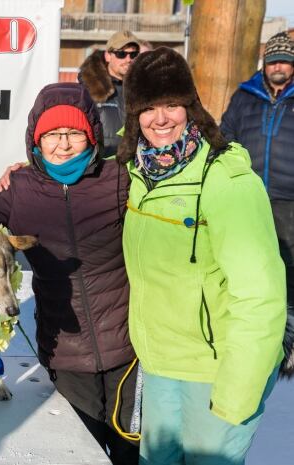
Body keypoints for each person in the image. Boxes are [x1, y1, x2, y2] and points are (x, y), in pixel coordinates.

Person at [119, 47, 286, 464]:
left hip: (214, 371)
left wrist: (237, 392)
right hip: (160, 366)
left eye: (172, 105)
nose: (161, 119)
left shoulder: (227, 180)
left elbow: (260, 296)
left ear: (191, 107)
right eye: (148, 107)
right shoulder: (139, 172)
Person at [0, 83, 139, 465]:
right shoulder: (20, 189)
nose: (63, 144)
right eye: (52, 135)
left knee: (132, 451)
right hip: (64, 350)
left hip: (128, 348)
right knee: (84, 452)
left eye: (74, 133)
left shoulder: (118, 180)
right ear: (36, 139)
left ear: (92, 135)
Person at [220, 31, 294, 312]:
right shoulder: (244, 96)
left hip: (289, 200)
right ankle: (255, 312)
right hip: (248, 196)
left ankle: (289, 320)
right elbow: (225, 136)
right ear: (265, 62)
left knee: (288, 262)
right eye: (273, 61)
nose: (278, 67)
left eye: (285, 61)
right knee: (249, 258)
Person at [79, 30, 142, 156]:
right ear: (108, 56)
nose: (128, 59)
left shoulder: (144, 88)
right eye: (121, 54)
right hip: (101, 164)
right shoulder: (88, 89)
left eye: (133, 54)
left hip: (136, 164)